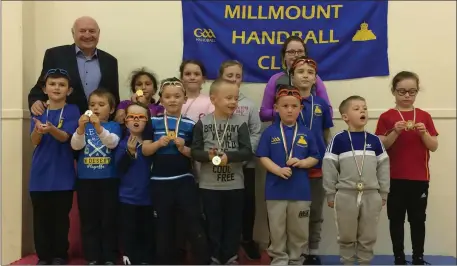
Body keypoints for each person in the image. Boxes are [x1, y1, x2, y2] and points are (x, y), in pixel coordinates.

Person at [141, 78, 209, 265]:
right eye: (168, 96)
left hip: (184, 180)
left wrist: (184, 149)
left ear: (184, 99)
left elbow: (195, 154)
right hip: (159, 181)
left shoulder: (190, 124)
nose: (172, 100)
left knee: (192, 220)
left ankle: (202, 260)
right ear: (160, 100)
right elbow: (145, 150)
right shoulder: (153, 121)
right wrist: (157, 143)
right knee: (163, 224)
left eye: (177, 96)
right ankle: (164, 260)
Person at [374, 71, 438, 265]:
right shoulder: (387, 116)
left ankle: (418, 257)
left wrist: (424, 133)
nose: (407, 96)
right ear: (393, 92)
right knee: (396, 220)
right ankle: (399, 258)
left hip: (419, 178)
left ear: (417, 92)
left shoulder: (424, 116)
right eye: (402, 92)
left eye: (412, 91)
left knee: (418, 220)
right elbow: (382, 145)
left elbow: (433, 146)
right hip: (394, 178)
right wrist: (395, 131)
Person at [256, 86, 320, 265]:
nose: (290, 110)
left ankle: (296, 259)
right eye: (285, 106)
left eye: (294, 106)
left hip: (300, 192)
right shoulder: (270, 132)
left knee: (299, 230)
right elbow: (262, 156)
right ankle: (279, 260)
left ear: (301, 109)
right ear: (276, 108)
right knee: (277, 230)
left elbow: (315, 157)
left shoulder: (307, 133)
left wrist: (302, 163)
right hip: (275, 191)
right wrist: (277, 170)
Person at [191, 79, 253, 265]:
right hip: (209, 185)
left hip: (234, 184)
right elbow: (194, 151)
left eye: (235, 98)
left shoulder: (241, 123)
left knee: (233, 224)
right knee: (213, 223)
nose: (233, 102)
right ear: (213, 99)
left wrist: (229, 157)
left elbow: (247, 151)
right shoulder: (202, 123)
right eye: (228, 98)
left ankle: (231, 256)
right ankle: (214, 257)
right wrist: (209, 157)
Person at [323, 95, 390, 265]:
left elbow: (383, 167)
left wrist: (383, 192)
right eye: (357, 108)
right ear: (345, 117)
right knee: (346, 234)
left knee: (368, 234)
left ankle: (364, 262)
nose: (363, 111)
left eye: (365, 108)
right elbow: (329, 167)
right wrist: (330, 194)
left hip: (371, 195)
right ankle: (347, 262)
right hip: (346, 195)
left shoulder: (374, 140)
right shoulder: (338, 140)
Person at [29, 68, 80, 265]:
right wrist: (40, 132)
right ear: (45, 88)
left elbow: (66, 137)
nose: (56, 88)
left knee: (60, 218)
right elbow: (34, 141)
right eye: (52, 84)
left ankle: (59, 254)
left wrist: (51, 129)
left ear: (69, 90)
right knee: (41, 219)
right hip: (40, 174)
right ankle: (44, 256)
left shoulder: (72, 110)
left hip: (63, 174)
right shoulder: (39, 110)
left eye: (61, 85)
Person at [288, 56, 333, 264]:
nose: (305, 75)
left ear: (315, 79)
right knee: (295, 212)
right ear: (292, 77)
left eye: (310, 72)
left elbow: (326, 134)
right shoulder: (287, 103)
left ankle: (312, 251)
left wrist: (330, 160)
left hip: (317, 167)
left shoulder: (321, 104)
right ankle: (296, 252)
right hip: (293, 167)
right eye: (300, 72)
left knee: (315, 211)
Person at [28, 16, 120, 116]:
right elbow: (41, 87)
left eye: (92, 31)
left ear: (98, 33)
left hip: (100, 125)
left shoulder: (110, 61)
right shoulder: (55, 55)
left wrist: (121, 110)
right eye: (82, 31)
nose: (87, 35)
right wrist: (35, 101)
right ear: (73, 33)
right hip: (65, 122)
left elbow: (113, 96)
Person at [70, 88, 122, 265]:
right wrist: (80, 128)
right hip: (86, 181)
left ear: (112, 109)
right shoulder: (83, 127)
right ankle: (92, 256)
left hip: (108, 179)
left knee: (108, 219)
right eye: (92, 105)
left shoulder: (114, 126)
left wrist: (99, 127)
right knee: (89, 220)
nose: (96, 108)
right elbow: (76, 146)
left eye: (101, 104)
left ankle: (109, 256)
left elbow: (112, 142)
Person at [218, 60, 262, 260]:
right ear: (221, 76)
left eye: (238, 76)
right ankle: (226, 243)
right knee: (224, 205)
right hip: (219, 166)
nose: (234, 79)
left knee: (247, 203)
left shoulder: (249, 105)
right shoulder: (215, 101)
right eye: (230, 76)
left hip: (246, 164)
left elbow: (256, 132)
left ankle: (247, 239)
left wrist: (244, 156)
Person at [115, 103, 155, 265]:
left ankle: (145, 259)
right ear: (125, 121)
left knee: (147, 231)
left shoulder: (150, 145)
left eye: (141, 117)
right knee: (129, 230)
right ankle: (129, 257)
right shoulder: (122, 143)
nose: (136, 120)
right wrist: (129, 154)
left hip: (148, 198)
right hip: (127, 197)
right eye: (132, 116)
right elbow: (119, 169)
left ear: (147, 121)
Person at [259, 36, 332, 123]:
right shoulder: (275, 79)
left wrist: (307, 111)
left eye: (300, 51)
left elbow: (329, 112)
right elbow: (263, 114)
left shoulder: (314, 79)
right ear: (284, 56)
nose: (296, 55)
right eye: (291, 52)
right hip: (282, 133)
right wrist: (285, 110)